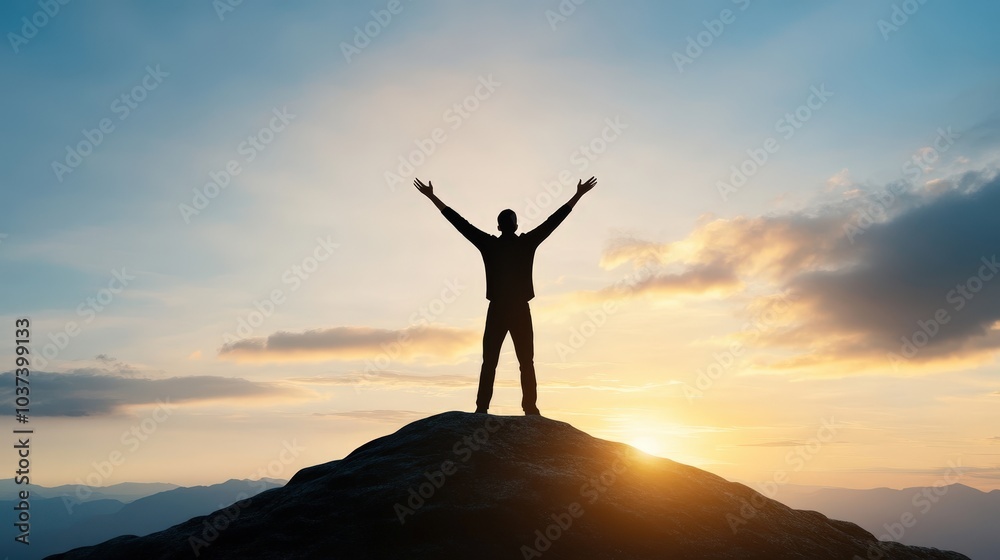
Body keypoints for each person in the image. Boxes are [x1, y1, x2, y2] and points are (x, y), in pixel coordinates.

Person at [414, 176, 597, 415]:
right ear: (516, 226)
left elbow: (460, 223)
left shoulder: (489, 244)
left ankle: (482, 409)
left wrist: (431, 197)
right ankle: (530, 408)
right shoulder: (526, 243)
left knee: (490, 361)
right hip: (520, 309)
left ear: (499, 227)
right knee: (526, 362)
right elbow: (553, 221)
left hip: (498, 309)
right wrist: (578, 195)